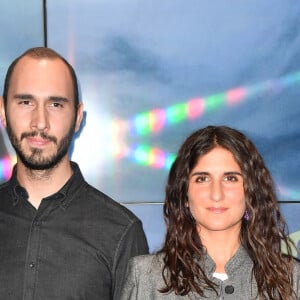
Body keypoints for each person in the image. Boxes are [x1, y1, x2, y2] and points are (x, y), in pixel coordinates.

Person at [0, 47, 149, 300]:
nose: (40, 122)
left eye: (56, 104)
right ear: (3, 111)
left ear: (78, 117)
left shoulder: (122, 232)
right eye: (26, 102)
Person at [121, 125, 300, 299]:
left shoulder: (291, 279)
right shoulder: (146, 276)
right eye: (202, 179)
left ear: (251, 191)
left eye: (230, 178)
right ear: (184, 193)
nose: (216, 194)